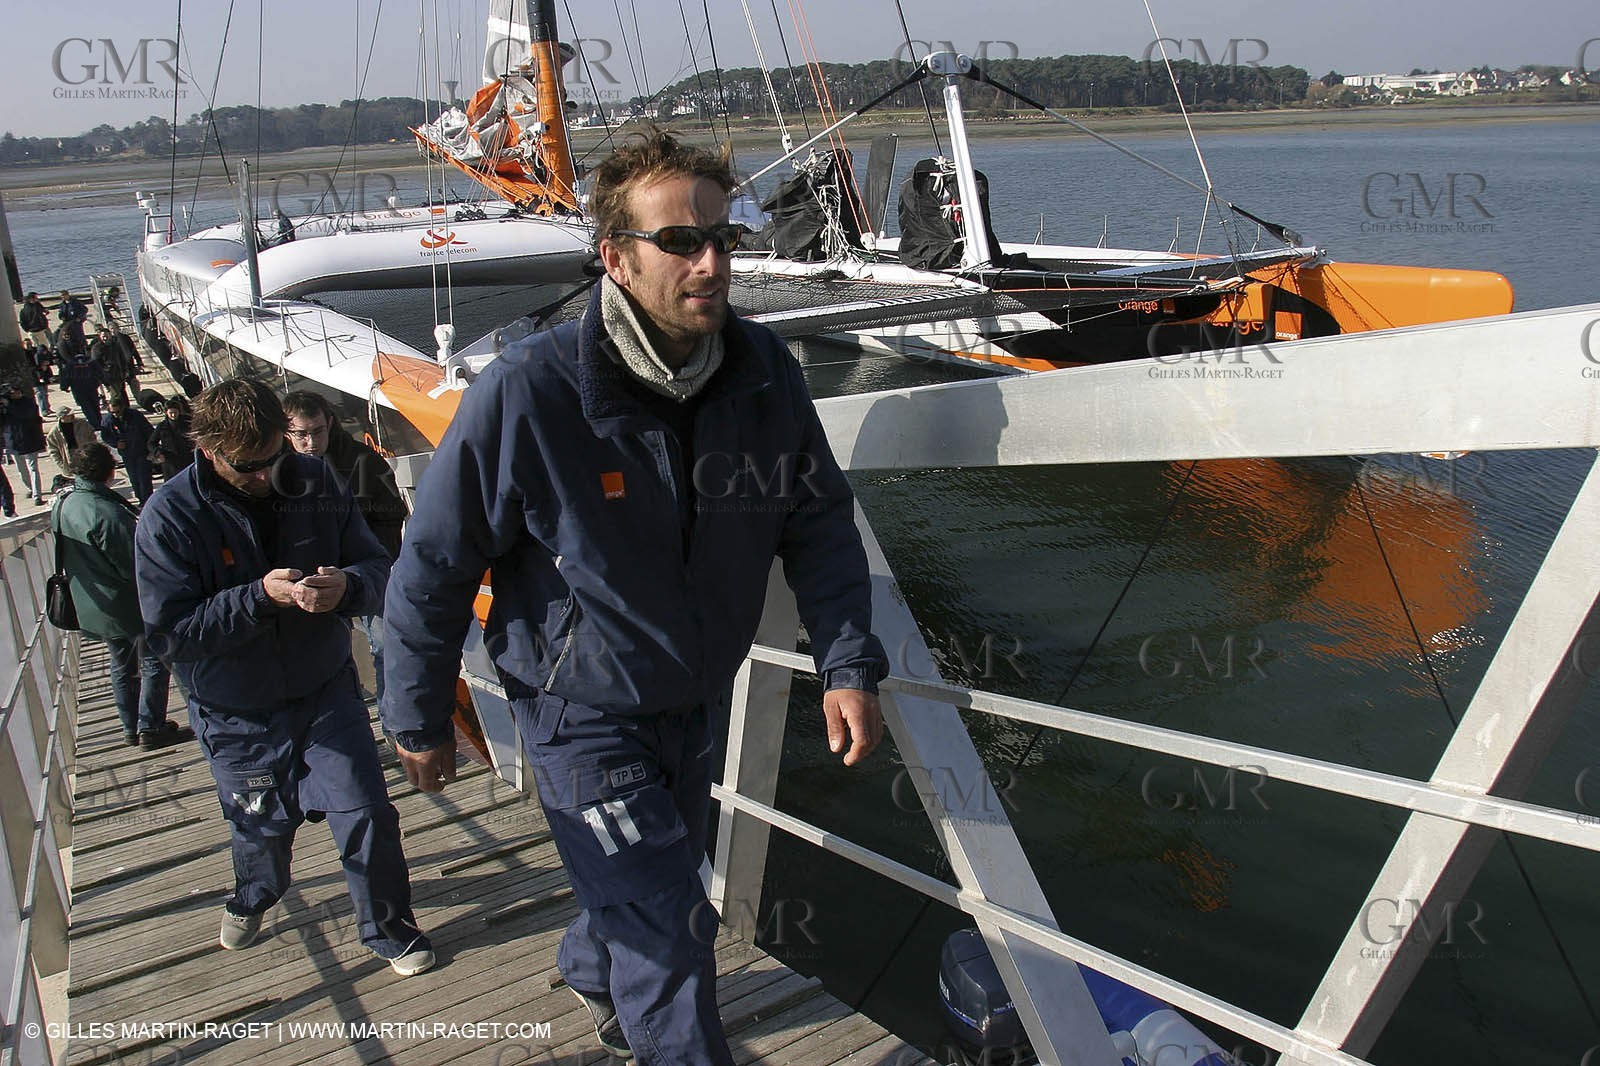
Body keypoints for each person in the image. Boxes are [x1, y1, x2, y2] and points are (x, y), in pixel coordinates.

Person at [381, 128, 887, 1062]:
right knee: (667, 925)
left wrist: (848, 661)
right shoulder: (532, 392)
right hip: (582, 709)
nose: (711, 262)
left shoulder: (763, 374)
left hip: (697, 697)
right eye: (680, 242)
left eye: (722, 239)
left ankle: (587, 968)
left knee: (638, 890)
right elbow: (437, 560)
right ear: (614, 258)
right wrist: (415, 715)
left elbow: (816, 527)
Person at [133, 379, 434, 974]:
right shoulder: (167, 517)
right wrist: (258, 598)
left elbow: (380, 567)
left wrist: (347, 586)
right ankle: (254, 895)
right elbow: (172, 635)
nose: (268, 475)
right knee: (260, 828)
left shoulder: (316, 480)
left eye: (276, 457)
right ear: (209, 450)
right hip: (236, 712)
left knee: (367, 812)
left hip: (324, 690)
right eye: (250, 466)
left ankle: (388, 927)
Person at [56, 442, 190, 748]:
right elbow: (135, 566)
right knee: (155, 659)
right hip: (128, 604)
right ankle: (151, 726)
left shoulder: (65, 504)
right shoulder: (108, 514)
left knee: (121, 665)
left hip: (93, 604)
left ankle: (131, 727)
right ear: (108, 470)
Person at [281, 391, 407, 702]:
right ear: (287, 432)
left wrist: (373, 560)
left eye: (317, 431)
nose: (311, 442)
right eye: (301, 434)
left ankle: (393, 725)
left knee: (385, 647)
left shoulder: (363, 461)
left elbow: (392, 515)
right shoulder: (275, 471)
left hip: (363, 570)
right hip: (307, 577)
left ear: (331, 424)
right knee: (322, 655)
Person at [100, 394, 156, 505]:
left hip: (142, 451)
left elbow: (149, 431)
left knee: (144, 478)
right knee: (134, 478)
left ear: (123, 408)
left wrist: (152, 449)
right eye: (112, 412)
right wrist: (115, 443)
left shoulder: (135, 416)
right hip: (127, 454)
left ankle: (148, 501)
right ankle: (141, 499)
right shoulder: (108, 420)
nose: (115, 415)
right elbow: (105, 435)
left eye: (117, 412)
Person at [1, 382, 48, 505]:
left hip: (30, 439)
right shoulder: (5, 405)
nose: (16, 395)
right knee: (21, 470)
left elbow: (25, 414)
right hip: (13, 442)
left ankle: (37, 496)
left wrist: (9, 406)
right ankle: (30, 488)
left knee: (33, 468)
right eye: (12, 393)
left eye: (18, 392)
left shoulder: (28, 402)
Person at [148, 395, 195, 481]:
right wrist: (158, 453)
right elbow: (151, 443)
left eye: (175, 412)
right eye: (171, 413)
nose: (173, 415)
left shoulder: (188, 423)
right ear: (166, 413)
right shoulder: (162, 427)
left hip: (188, 460)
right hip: (170, 464)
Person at [59, 348, 105, 426]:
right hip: (92, 388)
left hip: (78, 390)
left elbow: (66, 376)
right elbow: (100, 373)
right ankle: (100, 422)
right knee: (95, 406)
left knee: (86, 407)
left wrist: (64, 387)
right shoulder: (91, 361)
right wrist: (106, 383)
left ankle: (95, 424)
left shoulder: (70, 364)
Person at [91, 327, 136, 404]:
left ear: (110, 335)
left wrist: (126, 370)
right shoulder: (97, 348)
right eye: (103, 336)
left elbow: (122, 358)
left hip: (119, 373)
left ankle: (125, 407)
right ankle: (117, 408)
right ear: (100, 337)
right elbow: (95, 364)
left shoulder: (115, 345)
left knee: (121, 391)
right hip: (108, 376)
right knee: (115, 394)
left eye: (107, 336)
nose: (105, 338)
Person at [47, 407, 97, 475]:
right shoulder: (54, 433)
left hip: (86, 455)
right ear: (62, 417)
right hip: (70, 459)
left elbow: (92, 436)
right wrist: (61, 464)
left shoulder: (82, 423)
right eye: (69, 415)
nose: (72, 415)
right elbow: (53, 450)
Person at [23, 339, 54, 416]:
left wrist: (47, 363)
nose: (28, 345)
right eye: (27, 344)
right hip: (34, 376)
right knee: (40, 393)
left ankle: (48, 408)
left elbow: (47, 357)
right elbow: (29, 366)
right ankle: (44, 410)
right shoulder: (24, 354)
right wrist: (40, 367)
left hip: (43, 374)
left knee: (45, 393)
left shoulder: (36, 350)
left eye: (29, 343)